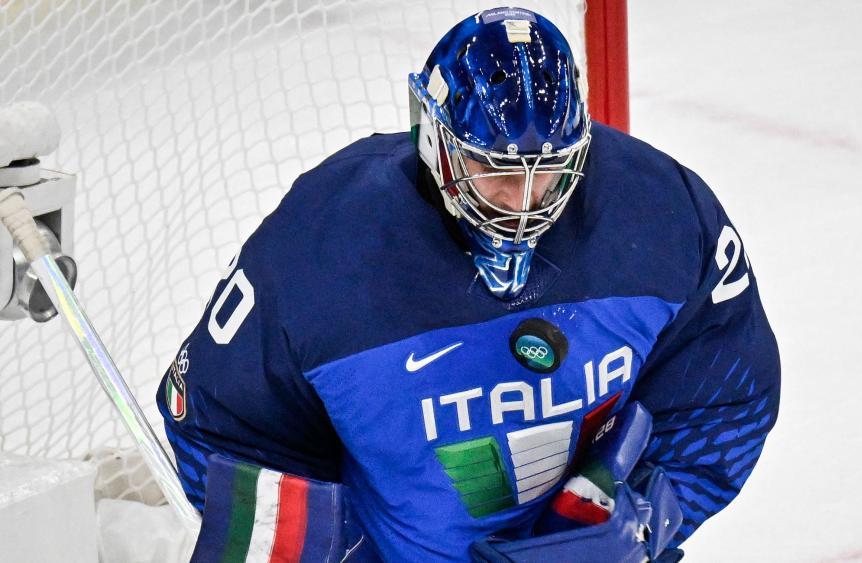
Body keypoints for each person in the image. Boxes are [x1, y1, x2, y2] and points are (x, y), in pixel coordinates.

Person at [158, 7, 780, 562]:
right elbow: (221, 427)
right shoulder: (320, 247)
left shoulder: (665, 212)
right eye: (494, 170)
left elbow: (725, 393)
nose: (523, 204)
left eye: (548, 173)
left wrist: (640, 519)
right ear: (435, 138)